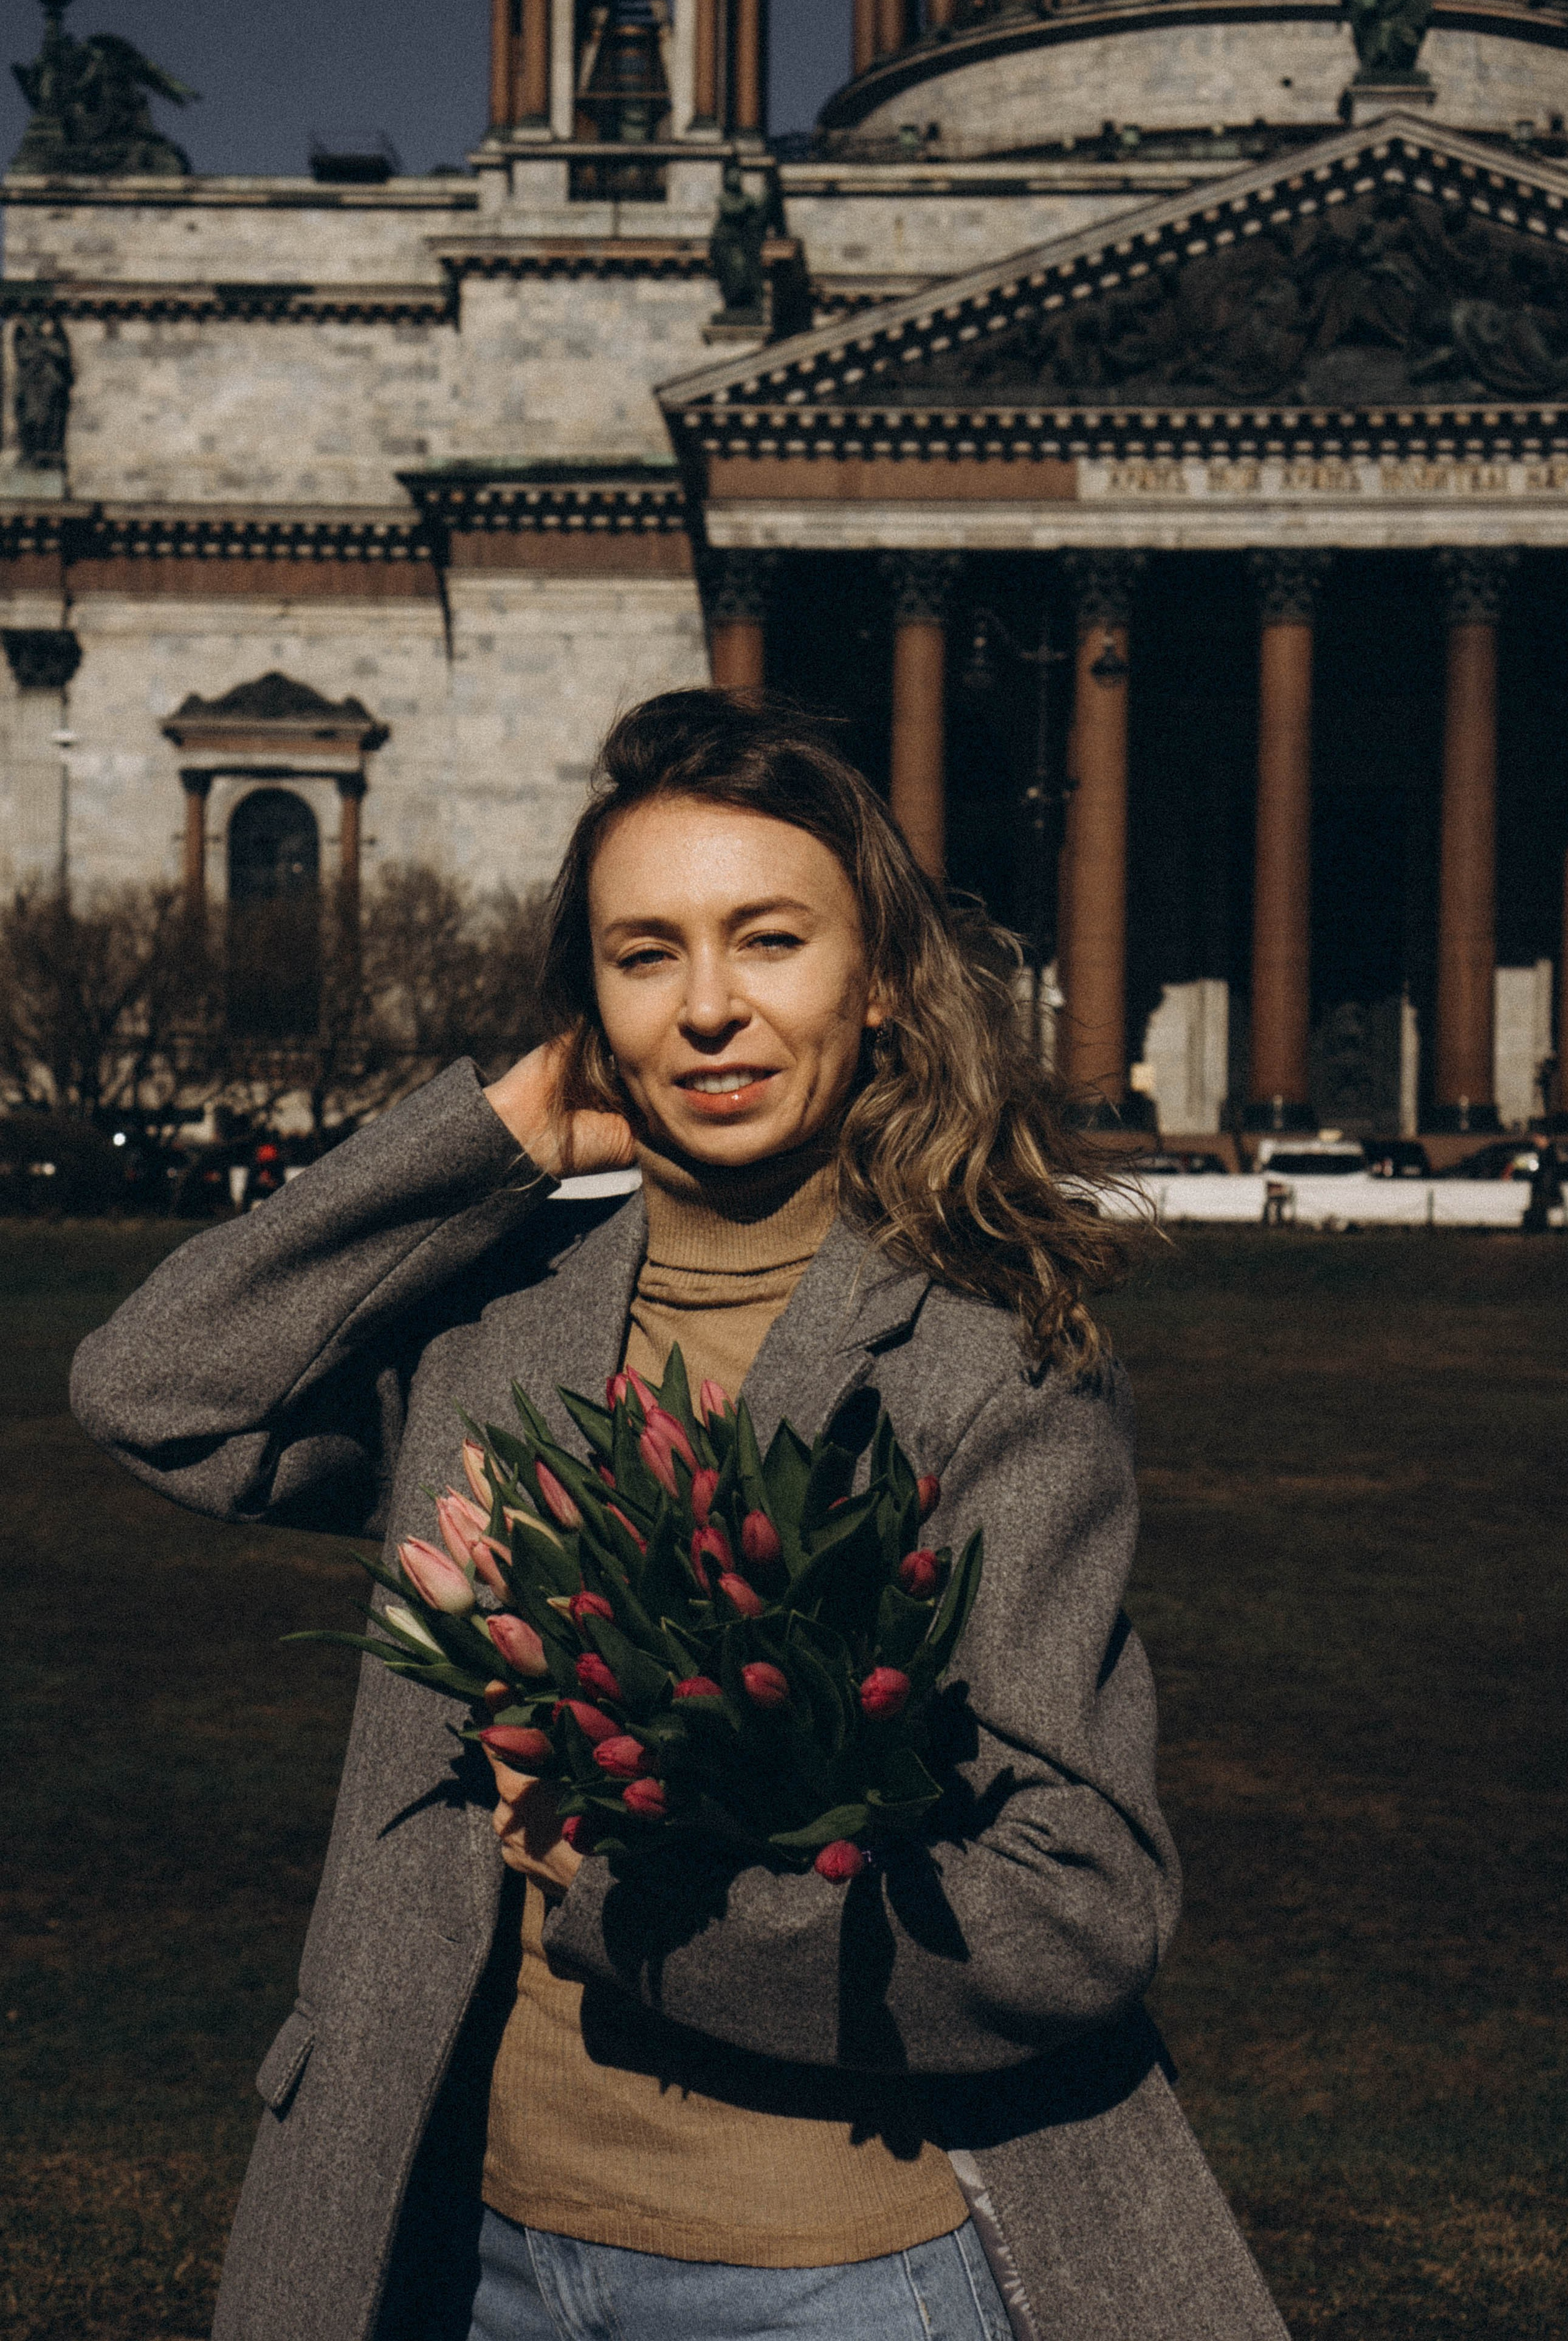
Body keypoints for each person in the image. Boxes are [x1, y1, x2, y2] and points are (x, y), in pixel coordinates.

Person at [72, 690, 1288, 2341]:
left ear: (875, 985)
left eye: (768, 940)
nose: (710, 1009)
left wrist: (625, 1892)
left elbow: (1079, 1904)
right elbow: (156, 1390)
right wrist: (484, 1139)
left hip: (827, 2270)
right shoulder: (495, 1323)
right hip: (457, 2237)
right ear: (593, 1006)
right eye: (647, 955)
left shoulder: (985, 1364)